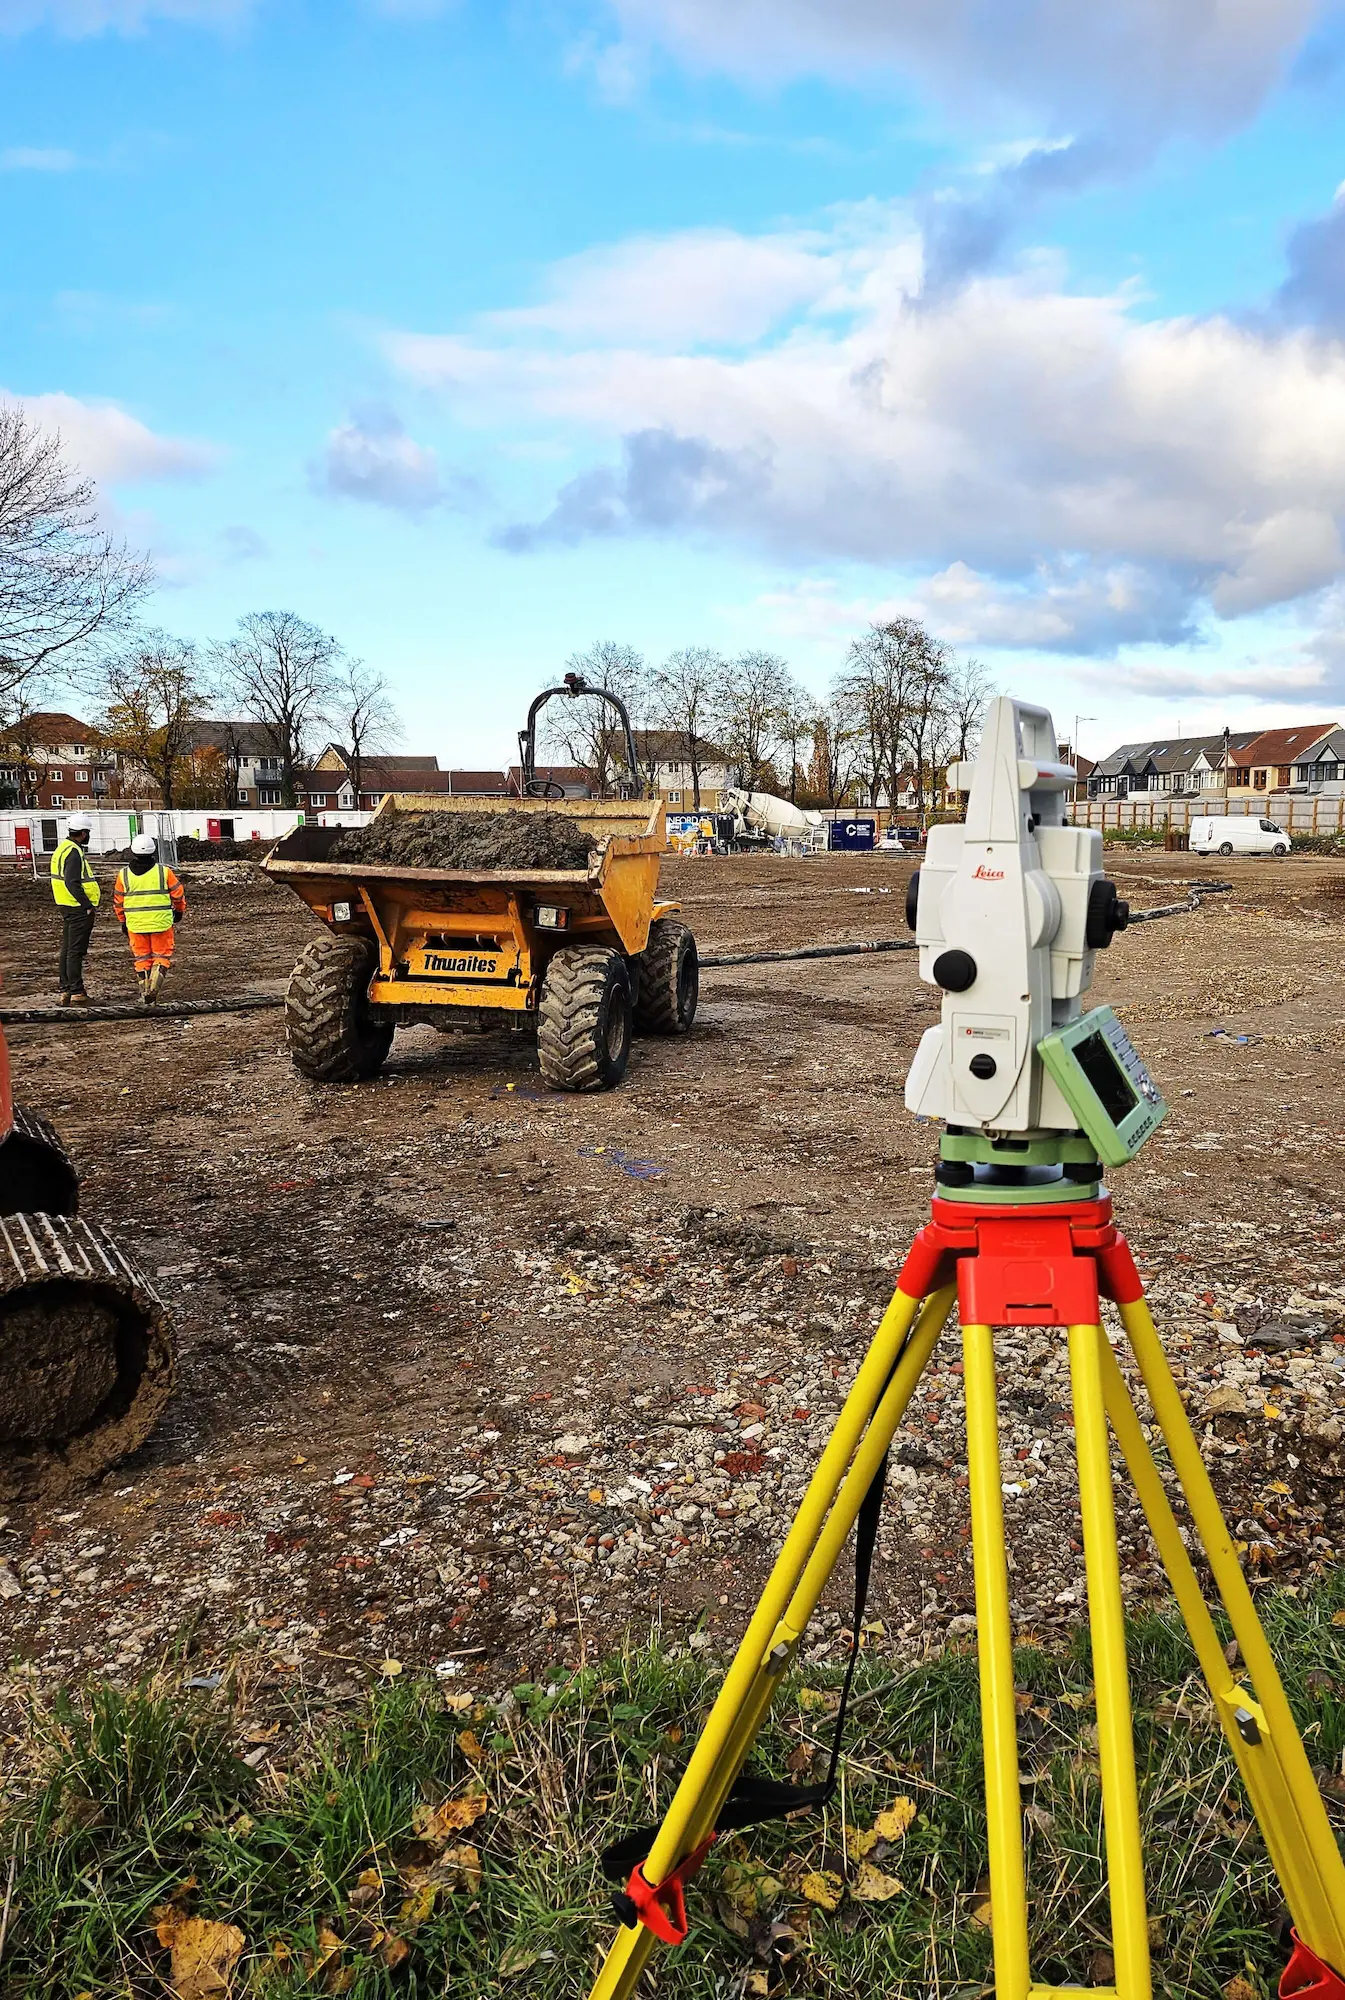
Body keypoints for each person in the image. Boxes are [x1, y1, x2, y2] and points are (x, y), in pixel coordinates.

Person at [113, 833, 187, 1005]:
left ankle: (145, 994)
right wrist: (179, 911)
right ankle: (153, 991)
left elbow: (118, 901)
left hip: (135, 924)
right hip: (161, 922)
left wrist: (122, 921)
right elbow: (178, 893)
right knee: (161, 956)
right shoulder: (164, 872)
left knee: (142, 959)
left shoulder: (123, 875)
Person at [50, 811, 101, 1007]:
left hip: (66, 905)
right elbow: (72, 882)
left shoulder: (62, 848)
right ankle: (77, 991)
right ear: (84, 833)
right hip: (77, 907)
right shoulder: (73, 852)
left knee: (68, 949)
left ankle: (66, 989)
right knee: (75, 951)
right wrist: (87, 905)